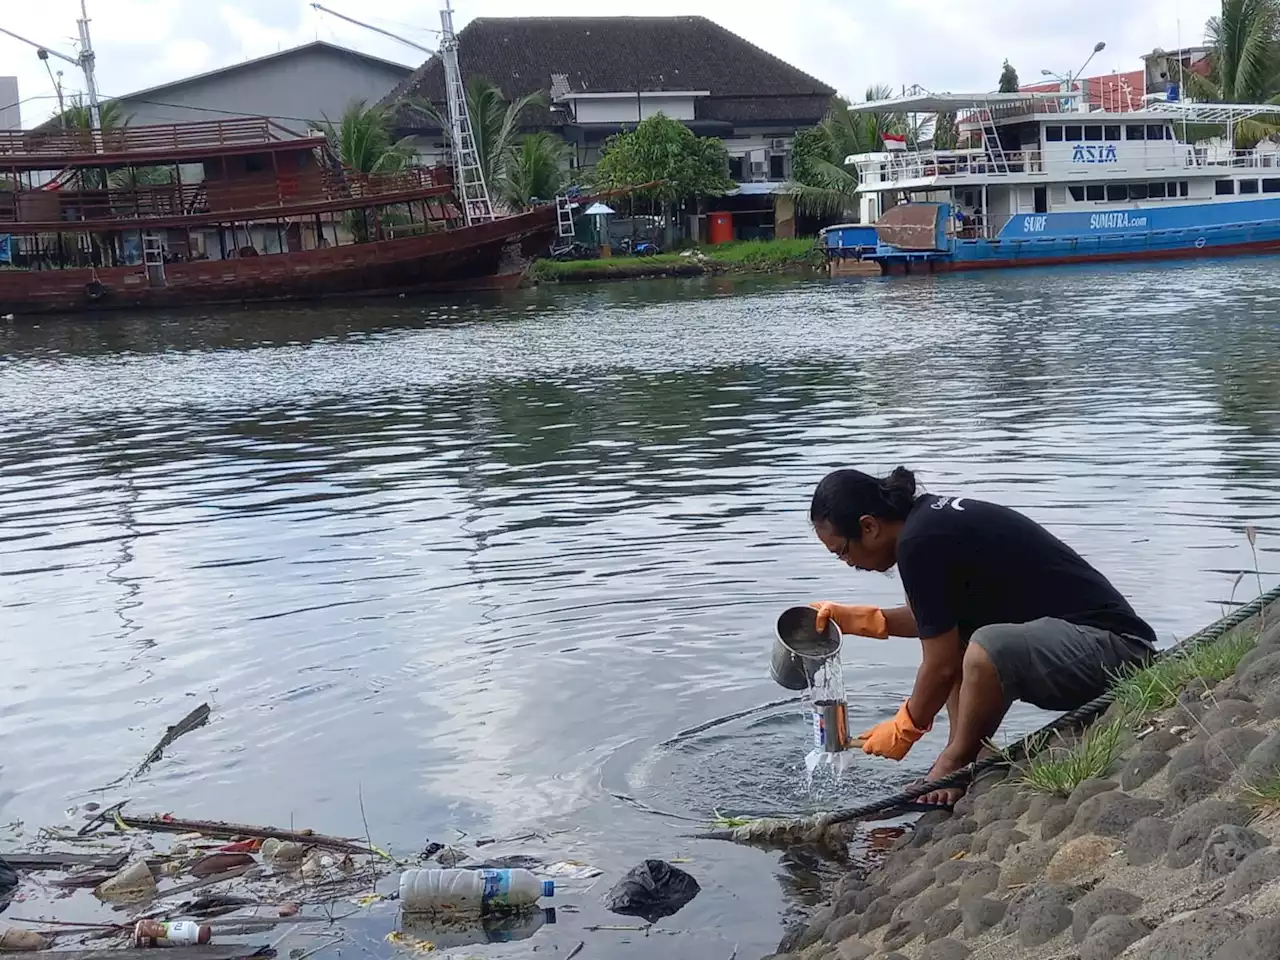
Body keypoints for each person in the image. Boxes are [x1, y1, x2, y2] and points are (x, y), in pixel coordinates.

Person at [808, 466, 1155, 801]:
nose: (847, 563)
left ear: (868, 527)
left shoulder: (919, 542)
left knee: (984, 648)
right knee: (961, 639)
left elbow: (940, 665)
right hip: (1086, 647)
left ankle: (957, 761)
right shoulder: (926, 524)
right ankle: (973, 754)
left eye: (843, 551)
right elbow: (934, 623)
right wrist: (860, 621)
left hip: (1115, 652)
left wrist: (906, 727)